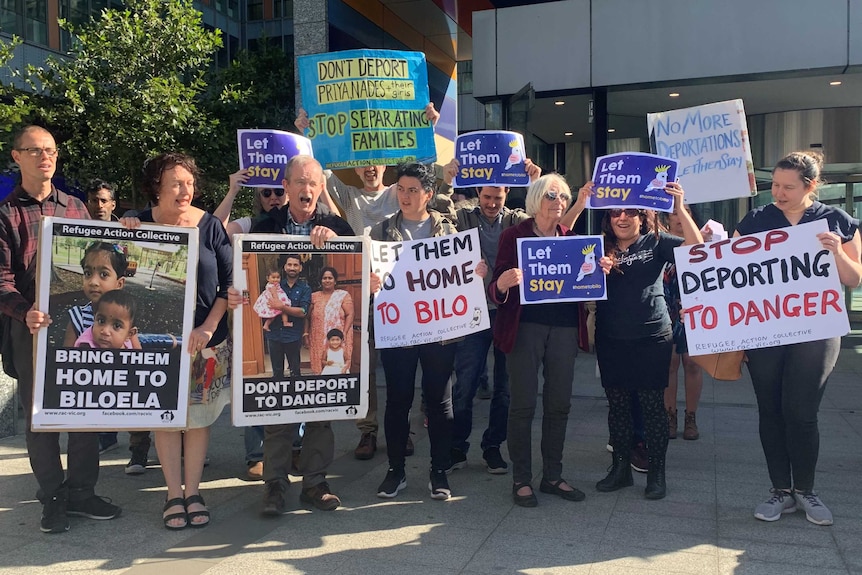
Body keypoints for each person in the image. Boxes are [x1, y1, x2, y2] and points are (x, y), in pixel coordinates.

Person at [295, 104, 450, 461]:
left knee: (405, 363)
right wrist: (309, 132)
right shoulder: (348, 196)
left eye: (376, 162)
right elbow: (322, 171)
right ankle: (368, 431)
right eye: (363, 162)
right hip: (363, 290)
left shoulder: (401, 190)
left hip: (404, 292)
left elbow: (428, 173)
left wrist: (431, 129)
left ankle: (406, 429)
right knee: (363, 362)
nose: (369, 168)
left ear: (385, 165)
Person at [4, 125, 121, 534]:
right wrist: (25, 311)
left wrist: (129, 240)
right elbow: (1, 279)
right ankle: (52, 497)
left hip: (80, 324)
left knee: (84, 409)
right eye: (35, 151)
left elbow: (103, 254)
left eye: (50, 150)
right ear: (17, 157)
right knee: (42, 418)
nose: (45, 157)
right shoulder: (6, 214)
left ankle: (83, 493)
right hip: (32, 328)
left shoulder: (75, 207)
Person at [737, 151, 862, 525]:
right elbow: (727, 270)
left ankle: (806, 490)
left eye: (787, 187)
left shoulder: (837, 220)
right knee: (770, 411)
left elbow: (854, 278)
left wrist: (837, 251)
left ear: (810, 186)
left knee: (802, 413)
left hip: (817, 331)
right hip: (765, 329)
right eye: (774, 184)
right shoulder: (757, 219)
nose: (778, 192)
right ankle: (780, 490)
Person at [234, 154, 354, 516]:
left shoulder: (338, 228)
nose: (307, 189)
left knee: (320, 410)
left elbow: (366, 266)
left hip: (317, 332)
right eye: (299, 182)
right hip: (281, 339)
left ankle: (315, 483)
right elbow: (219, 239)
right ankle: (274, 486)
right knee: (277, 409)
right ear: (285, 187)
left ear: (321, 188)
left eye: (313, 183)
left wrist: (336, 242)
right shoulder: (262, 226)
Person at [125, 152, 233, 530]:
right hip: (156, 341)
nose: (186, 190)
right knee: (165, 418)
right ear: (156, 187)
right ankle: (173, 494)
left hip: (205, 341)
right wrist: (123, 234)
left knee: (199, 418)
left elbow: (229, 282)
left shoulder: (210, 226)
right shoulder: (136, 222)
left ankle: (194, 492)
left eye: (189, 183)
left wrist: (208, 326)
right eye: (176, 183)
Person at [371, 162, 486, 501]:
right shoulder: (380, 232)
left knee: (439, 401)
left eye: (413, 190)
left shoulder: (449, 231)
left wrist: (478, 270)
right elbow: (368, 278)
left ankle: (439, 470)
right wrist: (372, 281)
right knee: (398, 400)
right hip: (399, 331)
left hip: (439, 330)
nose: (405, 196)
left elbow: (466, 271)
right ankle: (396, 470)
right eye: (401, 189)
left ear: (428, 194)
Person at [590, 181, 702, 501]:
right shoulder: (597, 247)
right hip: (611, 338)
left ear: (642, 216)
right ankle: (620, 469)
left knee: (653, 408)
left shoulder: (658, 242)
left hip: (652, 338)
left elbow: (697, 250)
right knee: (618, 408)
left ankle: (656, 474)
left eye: (629, 212)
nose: (621, 217)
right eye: (615, 212)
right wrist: (592, 269)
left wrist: (679, 208)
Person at [489, 174, 592, 507]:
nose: (559, 202)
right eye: (552, 196)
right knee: (523, 405)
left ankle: (552, 475)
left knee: (559, 403)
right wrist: (503, 284)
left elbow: (585, 281)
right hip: (525, 329)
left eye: (564, 196)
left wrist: (598, 270)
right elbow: (496, 287)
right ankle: (521, 478)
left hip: (563, 330)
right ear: (536, 199)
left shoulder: (573, 238)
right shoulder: (512, 236)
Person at [440, 157, 541, 475]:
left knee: (505, 387)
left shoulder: (516, 218)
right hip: (471, 313)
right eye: (486, 198)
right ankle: (457, 447)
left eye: (497, 198)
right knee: (464, 385)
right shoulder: (464, 215)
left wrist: (536, 184)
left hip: (508, 312)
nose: (492, 204)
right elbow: (438, 214)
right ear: (478, 193)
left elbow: (545, 222)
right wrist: (446, 181)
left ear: (507, 193)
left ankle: (493, 447)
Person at [215, 178, 288, 481]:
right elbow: (214, 232)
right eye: (265, 192)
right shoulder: (248, 224)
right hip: (253, 308)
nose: (272, 197)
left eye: (278, 191)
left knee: (290, 375)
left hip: (291, 307)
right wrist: (231, 190)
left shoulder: (304, 220)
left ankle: (293, 446)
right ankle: (256, 453)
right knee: (255, 379)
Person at [663, 205, 705, 441]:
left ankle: (691, 417)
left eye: (687, 211)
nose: (681, 217)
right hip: (667, 309)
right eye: (676, 212)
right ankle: (670, 416)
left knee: (692, 363)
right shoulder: (659, 240)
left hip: (694, 312)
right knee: (669, 363)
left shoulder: (703, 239)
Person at [305, 267, 353, 374]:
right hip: (318, 338)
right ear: (321, 281)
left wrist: (344, 333)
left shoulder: (343, 295)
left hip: (338, 337)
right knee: (320, 365)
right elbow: (307, 317)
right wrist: (305, 334)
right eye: (324, 278)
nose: (327, 280)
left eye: (330, 278)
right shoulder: (314, 296)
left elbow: (350, 314)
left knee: (339, 365)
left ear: (335, 281)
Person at [253, 268, 292, 332]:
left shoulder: (270, 285)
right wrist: (278, 303)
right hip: (275, 300)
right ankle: (285, 322)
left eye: (278, 277)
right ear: (268, 278)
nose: (276, 279)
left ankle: (266, 325)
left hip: (272, 299)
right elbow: (275, 294)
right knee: (284, 309)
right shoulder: (272, 286)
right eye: (273, 277)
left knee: (273, 316)